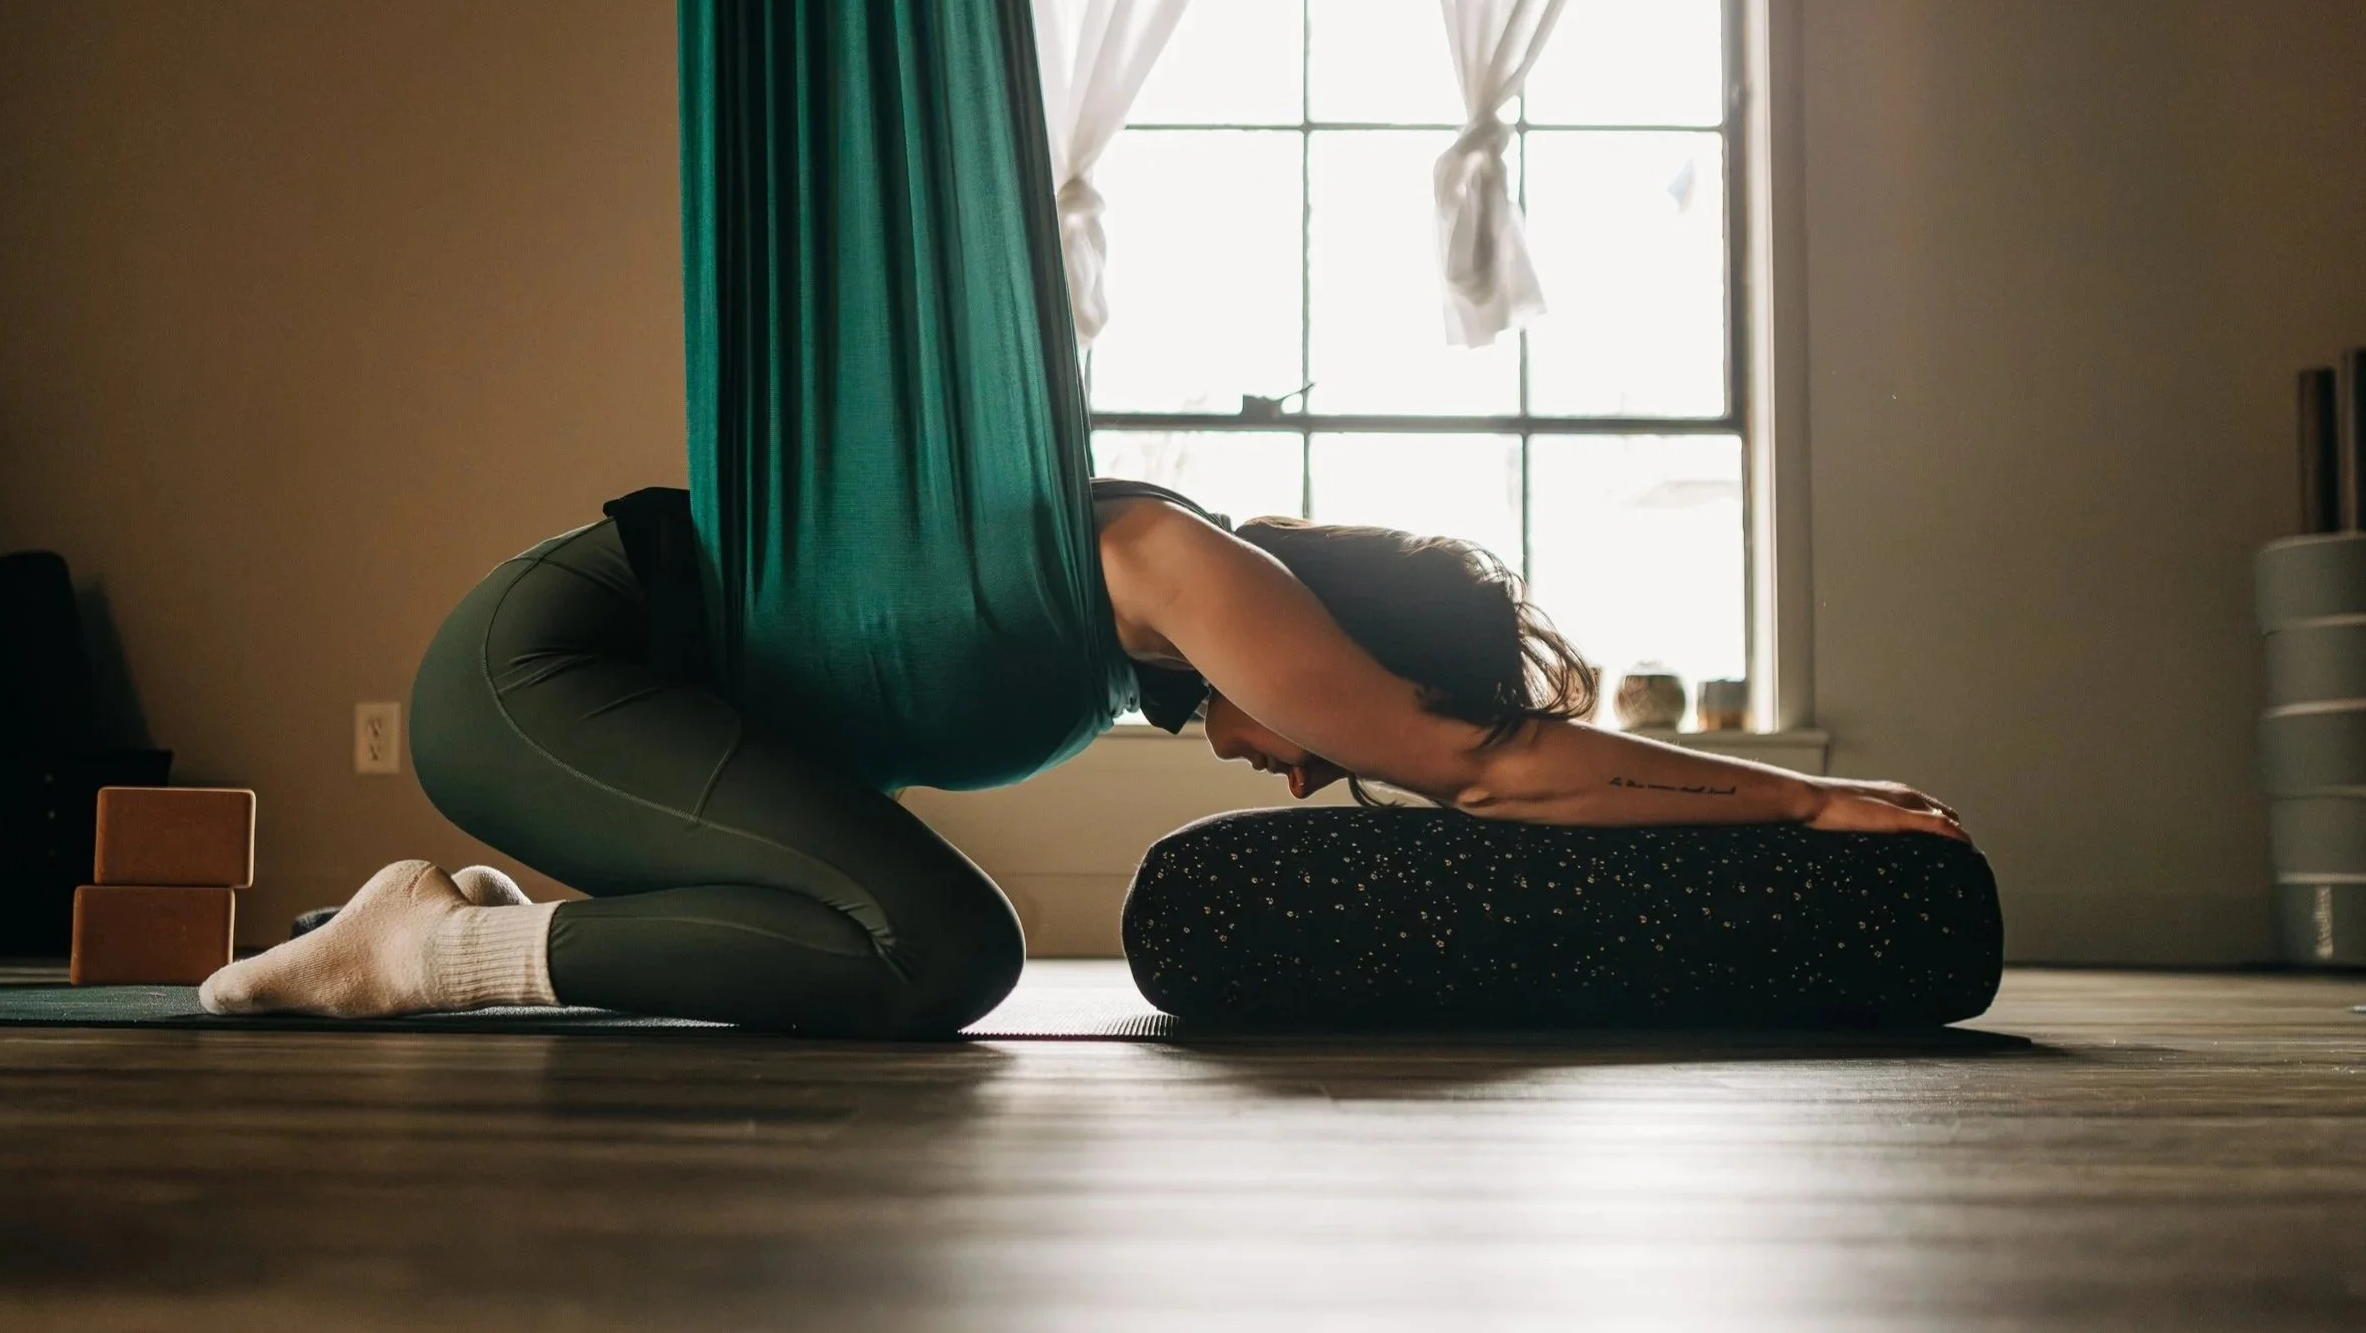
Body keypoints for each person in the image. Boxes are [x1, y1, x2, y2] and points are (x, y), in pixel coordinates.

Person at [199, 479, 1966, 1036]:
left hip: (616, 712)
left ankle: (481, 913)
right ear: (1340, 645)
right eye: (1330, 741)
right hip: (535, 672)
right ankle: (428, 948)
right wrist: (1810, 799)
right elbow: (1485, 765)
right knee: (947, 951)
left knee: (909, 934)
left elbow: (1463, 751)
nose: (1301, 770)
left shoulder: (1106, 633)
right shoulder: (1190, 565)